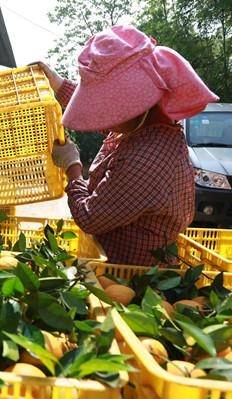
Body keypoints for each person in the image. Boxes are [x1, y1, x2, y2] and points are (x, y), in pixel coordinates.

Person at [42, 25, 219, 266]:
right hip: (114, 261)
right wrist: (58, 84)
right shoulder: (146, 124)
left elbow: (90, 217)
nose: (105, 116)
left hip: (135, 276)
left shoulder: (146, 159)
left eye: (110, 108)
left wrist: (72, 167)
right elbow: (107, 120)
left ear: (135, 105)